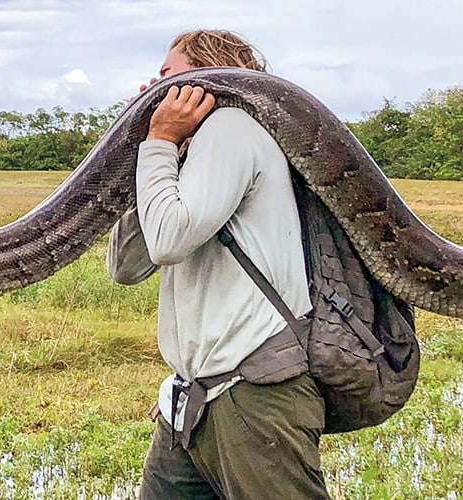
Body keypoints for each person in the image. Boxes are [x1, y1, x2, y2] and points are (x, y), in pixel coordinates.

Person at [106, 30, 329, 499]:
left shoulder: (232, 129)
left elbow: (168, 241)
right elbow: (126, 266)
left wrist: (161, 138)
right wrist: (156, 152)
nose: (152, 85)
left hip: (254, 392)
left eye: (167, 74)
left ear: (205, 73)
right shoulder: (189, 151)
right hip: (191, 398)